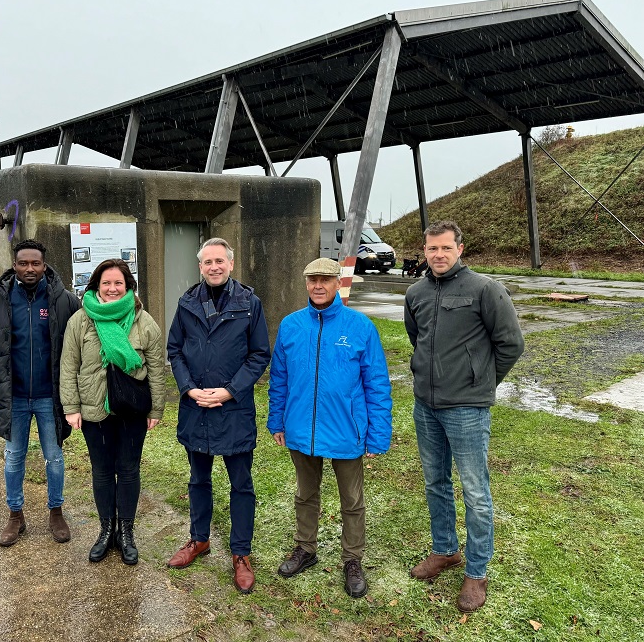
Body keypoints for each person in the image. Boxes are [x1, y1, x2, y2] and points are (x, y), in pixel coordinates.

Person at [404, 220, 524, 613]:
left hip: (467, 410)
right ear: (424, 251)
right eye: (431, 249)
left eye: (445, 248)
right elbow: (417, 338)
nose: (438, 255)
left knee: (475, 492)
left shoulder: (485, 290)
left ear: (460, 249)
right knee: (436, 482)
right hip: (426, 407)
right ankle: (445, 551)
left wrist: (480, 383)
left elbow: (510, 344)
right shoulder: (416, 292)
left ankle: (476, 570)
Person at [267, 258, 392, 598]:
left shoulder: (360, 327)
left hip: (346, 431)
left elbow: (377, 383)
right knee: (305, 494)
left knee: (351, 499)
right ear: (305, 284)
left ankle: (353, 559)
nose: (318, 286)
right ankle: (305, 549)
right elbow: (279, 379)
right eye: (312, 280)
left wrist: (378, 433)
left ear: (338, 283)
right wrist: (276, 419)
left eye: (325, 279)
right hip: (300, 428)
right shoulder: (291, 326)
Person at [166, 238, 271, 594]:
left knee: (241, 484)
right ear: (200, 266)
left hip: (234, 408)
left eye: (219, 261)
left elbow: (259, 354)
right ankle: (199, 540)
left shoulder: (249, 304)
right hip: (196, 407)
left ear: (230, 263)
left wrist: (230, 390)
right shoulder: (186, 303)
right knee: (198, 480)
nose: (214, 267)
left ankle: (241, 553)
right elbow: (174, 350)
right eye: (207, 261)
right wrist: (189, 388)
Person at [60, 259, 165, 565]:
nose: (112, 288)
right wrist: (71, 407)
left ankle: (126, 533)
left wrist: (156, 407)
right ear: (96, 286)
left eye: (118, 283)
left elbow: (157, 370)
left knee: (129, 470)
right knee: (103, 471)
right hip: (94, 409)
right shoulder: (80, 321)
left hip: (132, 408)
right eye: (106, 283)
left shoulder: (144, 322)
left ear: (128, 286)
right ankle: (106, 531)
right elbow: (69, 366)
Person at [0, 239, 80, 547]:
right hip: (15, 397)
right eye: (23, 263)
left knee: (54, 458)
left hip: (51, 396)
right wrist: (3, 374)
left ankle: (56, 512)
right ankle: (15, 516)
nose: (30, 268)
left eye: (35, 263)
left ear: (44, 266)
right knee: (13, 458)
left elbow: (77, 343)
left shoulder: (64, 300)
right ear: (15, 265)